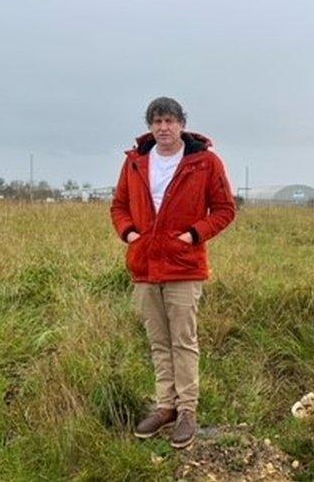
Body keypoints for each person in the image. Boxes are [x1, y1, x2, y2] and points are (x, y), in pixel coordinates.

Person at [110, 96, 236, 448]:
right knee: (158, 341)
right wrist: (129, 233)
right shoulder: (135, 162)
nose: (163, 128)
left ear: (182, 124)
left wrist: (193, 235)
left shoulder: (205, 162)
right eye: (157, 122)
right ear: (150, 126)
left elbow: (225, 209)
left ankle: (187, 411)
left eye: (170, 121)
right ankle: (165, 406)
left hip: (184, 265)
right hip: (145, 265)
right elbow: (119, 206)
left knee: (183, 340)